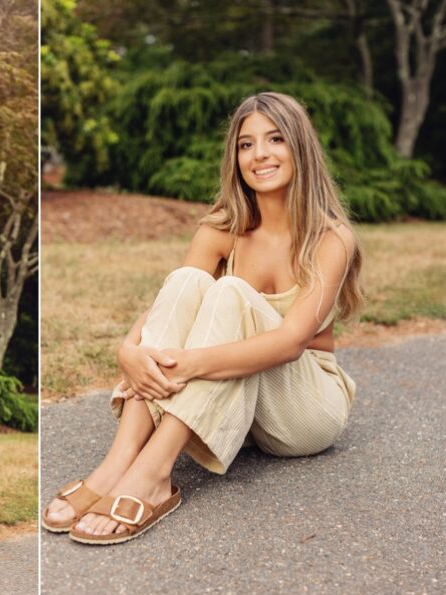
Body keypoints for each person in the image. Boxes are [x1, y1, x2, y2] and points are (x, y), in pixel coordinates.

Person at [43, 91, 360, 547]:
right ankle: (121, 459)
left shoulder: (331, 237)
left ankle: (152, 474)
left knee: (230, 291)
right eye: (246, 144)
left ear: (300, 148)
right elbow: (171, 305)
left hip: (303, 406)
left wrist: (185, 365)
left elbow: (291, 342)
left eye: (275, 139)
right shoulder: (220, 228)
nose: (260, 154)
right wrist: (128, 351)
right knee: (189, 281)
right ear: (235, 157)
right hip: (238, 403)